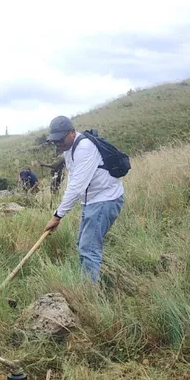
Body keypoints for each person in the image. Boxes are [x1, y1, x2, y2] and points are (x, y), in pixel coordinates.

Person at [43, 115, 125, 283]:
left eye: (61, 139)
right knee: (83, 244)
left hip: (105, 199)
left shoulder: (84, 148)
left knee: (88, 248)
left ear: (72, 132)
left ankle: (88, 294)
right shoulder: (69, 150)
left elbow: (77, 187)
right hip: (91, 201)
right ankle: (89, 281)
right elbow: (73, 180)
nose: (58, 143)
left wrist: (57, 216)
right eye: (55, 141)